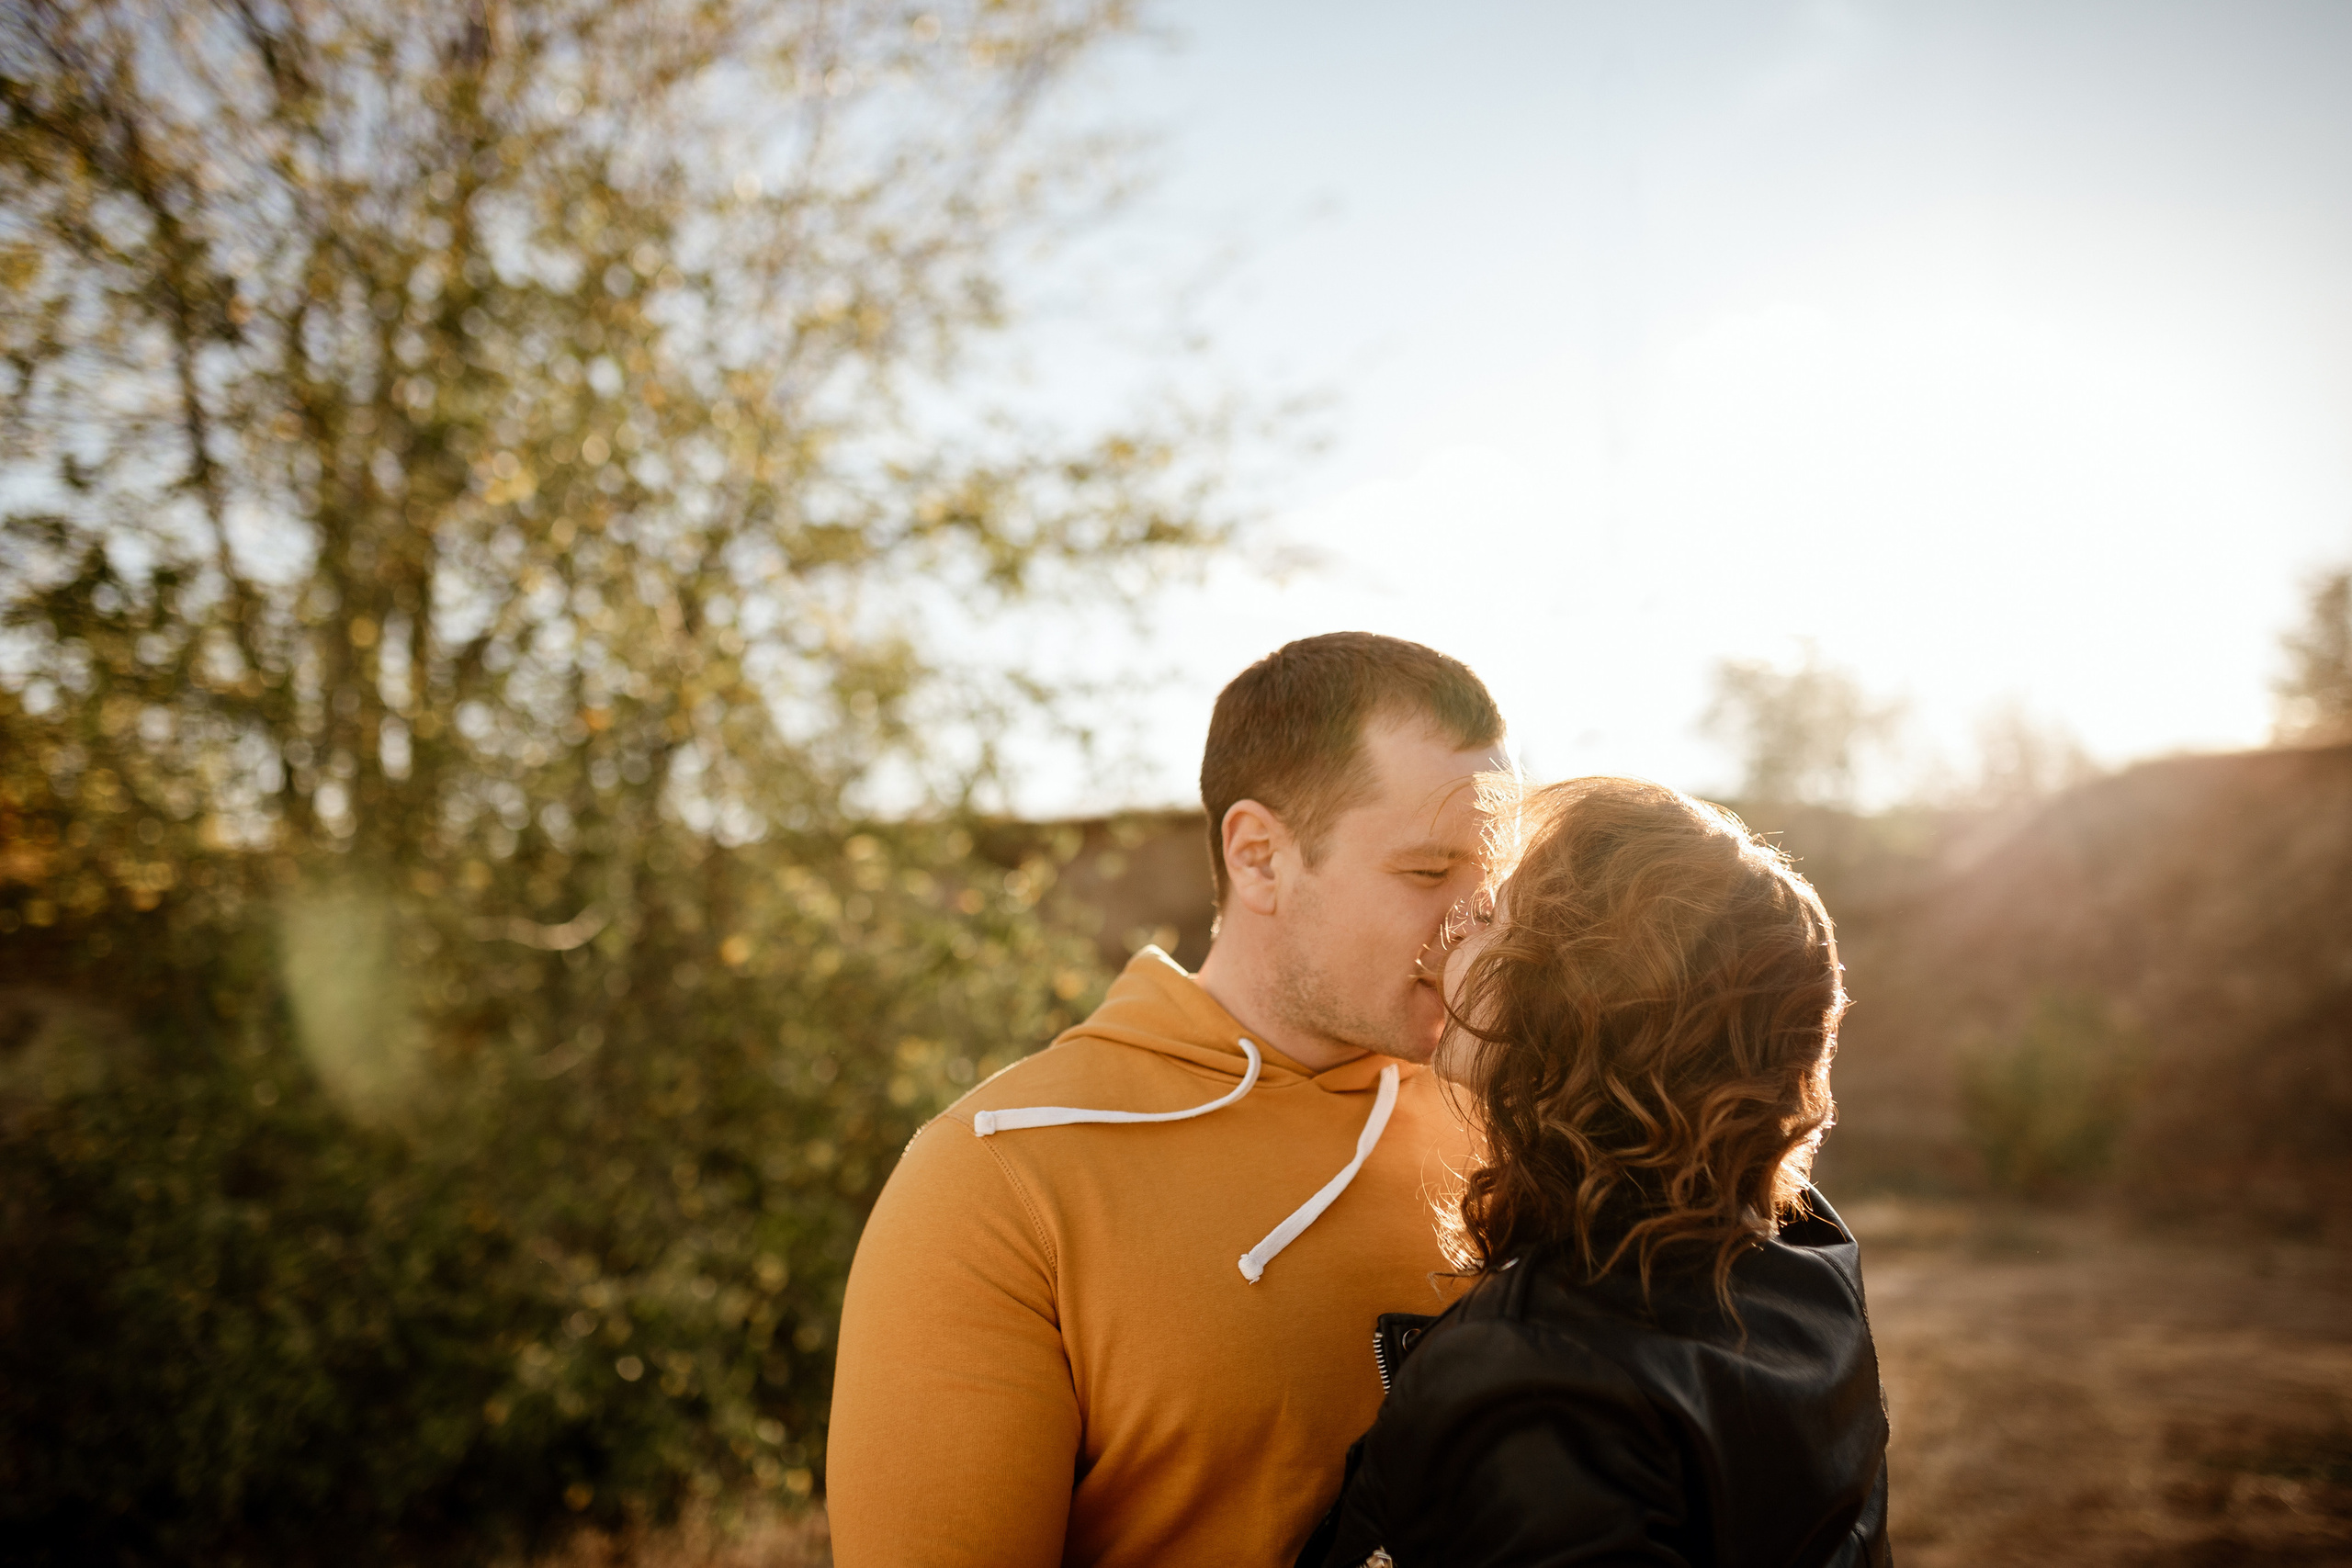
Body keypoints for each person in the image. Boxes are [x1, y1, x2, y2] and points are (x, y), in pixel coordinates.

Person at [828, 633, 1514, 1567]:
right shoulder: (999, 1171)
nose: (1476, 921)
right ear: (1259, 856)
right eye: (1429, 873)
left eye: (1494, 874)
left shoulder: (1517, 1122)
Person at [1300, 776, 1890, 1568]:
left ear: (1573, 1004)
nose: (1454, 933)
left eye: (1493, 918)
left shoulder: (1530, 1386)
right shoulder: (1805, 1257)